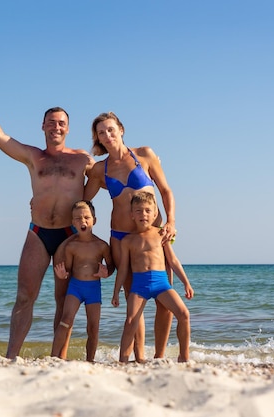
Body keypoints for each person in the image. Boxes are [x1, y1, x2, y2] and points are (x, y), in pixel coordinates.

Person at [0, 75, 94, 359]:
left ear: (68, 128)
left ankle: (57, 358)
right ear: (42, 126)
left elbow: (109, 174)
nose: (56, 126)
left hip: (68, 235)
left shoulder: (81, 159)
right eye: (51, 122)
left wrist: (145, 162)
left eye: (61, 123)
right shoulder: (33, 156)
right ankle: (10, 356)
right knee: (25, 297)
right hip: (38, 233)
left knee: (63, 300)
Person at [83, 111, 177, 361]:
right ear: (98, 139)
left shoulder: (145, 154)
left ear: (121, 129)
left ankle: (159, 355)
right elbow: (82, 201)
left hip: (155, 235)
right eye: (101, 132)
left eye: (111, 129)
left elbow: (166, 191)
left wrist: (171, 221)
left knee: (163, 298)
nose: (107, 135)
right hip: (121, 237)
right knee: (133, 299)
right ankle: (139, 357)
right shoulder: (100, 170)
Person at [112, 191, 193, 363]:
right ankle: (123, 360)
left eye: (148, 211)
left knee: (184, 314)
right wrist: (116, 291)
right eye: (139, 211)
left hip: (161, 284)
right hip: (139, 286)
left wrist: (186, 283)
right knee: (130, 321)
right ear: (131, 214)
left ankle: (184, 356)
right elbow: (124, 268)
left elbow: (173, 261)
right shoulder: (127, 240)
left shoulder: (161, 234)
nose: (144, 215)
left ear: (155, 213)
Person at [50, 200, 115, 362]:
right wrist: (63, 275)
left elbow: (112, 266)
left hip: (94, 289)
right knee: (65, 321)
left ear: (94, 220)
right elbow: (70, 270)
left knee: (93, 328)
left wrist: (106, 273)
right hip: (75, 287)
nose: (82, 221)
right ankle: (53, 357)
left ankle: (90, 360)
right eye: (78, 219)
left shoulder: (102, 246)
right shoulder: (71, 246)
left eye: (86, 217)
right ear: (73, 222)